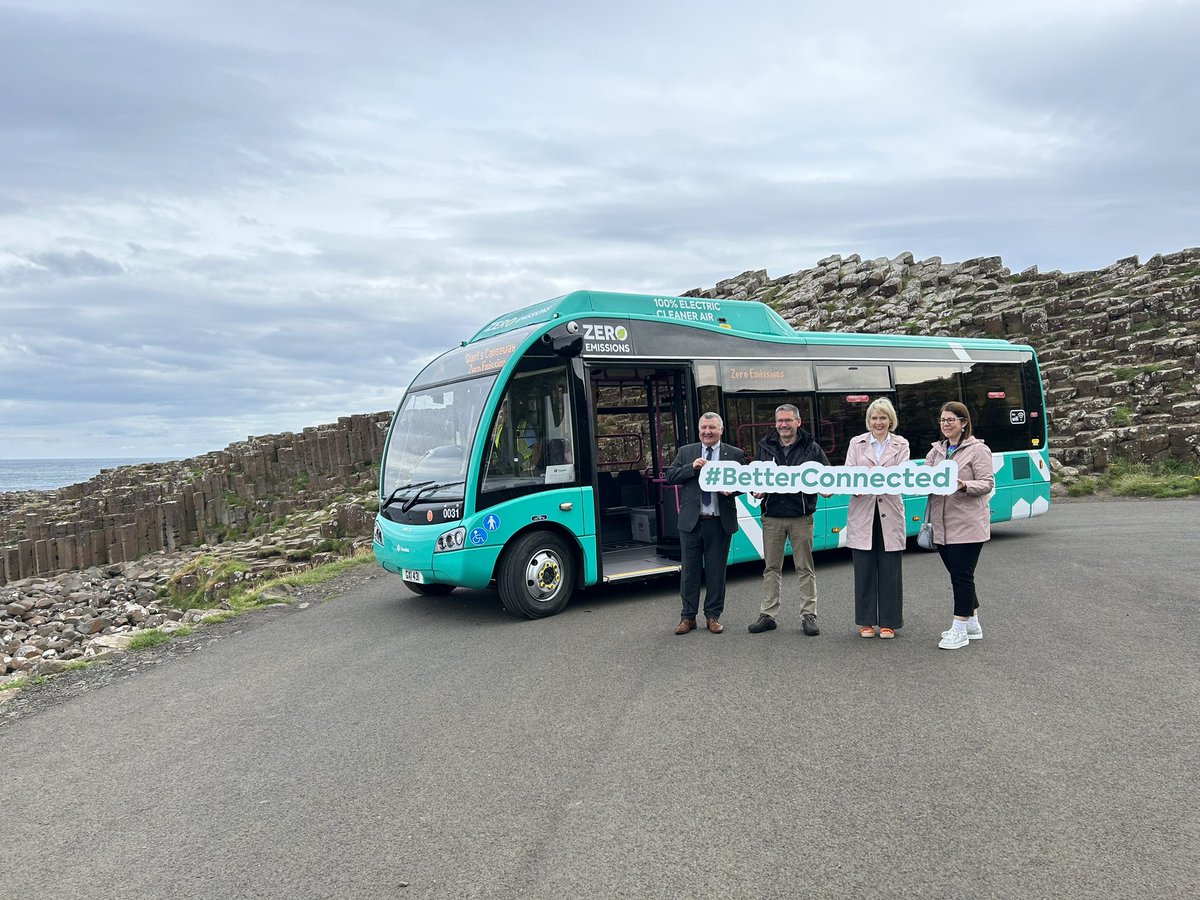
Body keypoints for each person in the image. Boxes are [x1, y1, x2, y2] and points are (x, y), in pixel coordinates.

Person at [749, 404, 830, 636]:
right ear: (775, 424)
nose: (783, 425)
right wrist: (756, 490)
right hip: (772, 516)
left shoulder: (812, 448)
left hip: (801, 517)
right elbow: (755, 478)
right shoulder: (765, 447)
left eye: (788, 420)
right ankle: (768, 615)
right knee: (771, 568)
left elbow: (827, 475)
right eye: (779, 421)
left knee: (805, 567)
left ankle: (808, 616)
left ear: (798, 422)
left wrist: (828, 487)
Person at [665, 412, 746, 635]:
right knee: (689, 572)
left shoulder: (735, 454)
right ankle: (687, 617)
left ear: (721, 430)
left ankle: (713, 616)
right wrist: (691, 467)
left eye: (712, 428)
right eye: (703, 428)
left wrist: (733, 490)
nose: (707, 432)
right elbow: (670, 476)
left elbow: (744, 482)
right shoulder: (686, 452)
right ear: (699, 430)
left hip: (719, 522)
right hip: (692, 522)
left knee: (716, 572)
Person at [925, 401, 995, 650]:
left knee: (961, 576)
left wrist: (963, 485)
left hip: (967, 524)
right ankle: (973, 624)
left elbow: (987, 483)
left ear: (963, 422)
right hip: (941, 524)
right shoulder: (936, 451)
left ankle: (959, 629)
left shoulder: (978, 450)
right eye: (943, 420)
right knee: (959, 573)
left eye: (951, 420)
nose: (946, 424)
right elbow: (925, 477)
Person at [844, 398, 910, 639]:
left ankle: (889, 622)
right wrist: (857, 483)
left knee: (890, 569)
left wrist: (872, 476)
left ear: (890, 420)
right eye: (874, 418)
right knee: (864, 568)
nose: (878, 422)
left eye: (883, 418)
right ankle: (866, 621)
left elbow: (902, 473)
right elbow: (849, 472)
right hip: (863, 511)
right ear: (868, 421)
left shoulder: (901, 444)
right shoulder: (857, 443)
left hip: (889, 511)